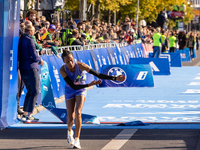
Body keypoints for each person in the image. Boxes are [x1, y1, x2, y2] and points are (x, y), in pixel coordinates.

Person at [59, 50, 125, 149]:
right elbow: (72, 86)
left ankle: (77, 140)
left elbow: (98, 75)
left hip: (81, 89)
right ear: (64, 61)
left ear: (74, 59)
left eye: (72, 60)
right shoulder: (62, 70)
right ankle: (69, 132)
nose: (70, 63)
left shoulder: (81, 66)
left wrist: (115, 78)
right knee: (70, 117)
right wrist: (89, 85)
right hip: (70, 90)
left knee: (78, 113)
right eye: (67, 61)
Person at [18, 24, 44, 122]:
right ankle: (29, 115)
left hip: (22, 68)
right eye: (33, 31)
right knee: (35, 91)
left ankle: (25, 114)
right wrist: (40, 60)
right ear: (30, 32)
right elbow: (34, 55)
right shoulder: (30, 40)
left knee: (30, 91)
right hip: (31, 68)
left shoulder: (21, 40)